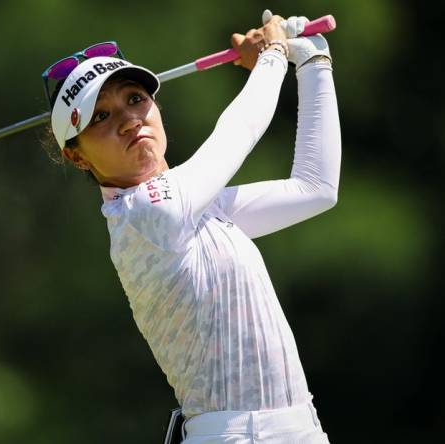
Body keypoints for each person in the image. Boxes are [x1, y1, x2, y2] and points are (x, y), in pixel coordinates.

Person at [41, 10, 339, 444]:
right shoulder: (144, 216)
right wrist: (274, 55)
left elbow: (316, 188)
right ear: (78, 156)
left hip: (303, 429)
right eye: (100, 118)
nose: (128, 119)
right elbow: (238, 132)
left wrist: (312, 62)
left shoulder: (198, 208)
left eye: (135, 98)